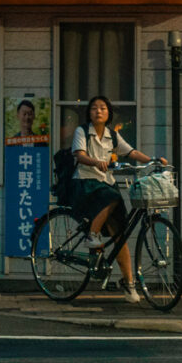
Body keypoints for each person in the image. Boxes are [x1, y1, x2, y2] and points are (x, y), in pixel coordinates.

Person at [72, 95, 166, 304]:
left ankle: (129, 284)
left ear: (108, 113)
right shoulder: (82, 131)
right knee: (113, 196)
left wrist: (152, 160)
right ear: (89, 112)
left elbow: (130, 152)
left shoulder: (112, 136)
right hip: (86, 183)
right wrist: (95, 162)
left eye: (103, 108)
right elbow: (79, 155)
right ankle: (92, 235)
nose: (98, 111)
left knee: (120, 235)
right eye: (94, 108)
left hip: (105, 183)